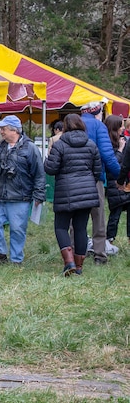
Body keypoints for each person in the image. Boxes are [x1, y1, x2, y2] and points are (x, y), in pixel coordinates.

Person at [0, 115, 45, 266]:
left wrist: (39, 195)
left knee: (17, 229)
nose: (1, 132)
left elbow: (39, 174)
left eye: (3, 129)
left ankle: (16, 258)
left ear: (14, 130)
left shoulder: (30, 148)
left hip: (19, 197)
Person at [44, 114, 101, 276]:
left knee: (61, 227)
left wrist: (46, 161)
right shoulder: (91, 145)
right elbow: (97, 171)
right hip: (87, 192)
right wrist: (87, 182)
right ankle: (79, 266)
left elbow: (51, 169)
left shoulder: (59, 145)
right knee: (81, 228)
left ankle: (69, 262)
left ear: (65, 127)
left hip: (65, 191)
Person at [80, 101, 120, 265]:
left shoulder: (73, 124)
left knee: (77, 216)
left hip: (73, 179)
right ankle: (99, 254)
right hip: (95, 177)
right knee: (98, 216)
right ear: (98, 111)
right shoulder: (98, 126)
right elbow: (107, 155)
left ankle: (77, 251)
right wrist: (120, 175)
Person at [104, 115, 129, 250]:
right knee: (115, 215)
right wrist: (120, 149)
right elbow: (113, 164)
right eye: (121, 125)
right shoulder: (108, 143)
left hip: (123, 183)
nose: (123, 128)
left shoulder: (122, 140)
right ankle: (109, 239)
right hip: (115, 184)